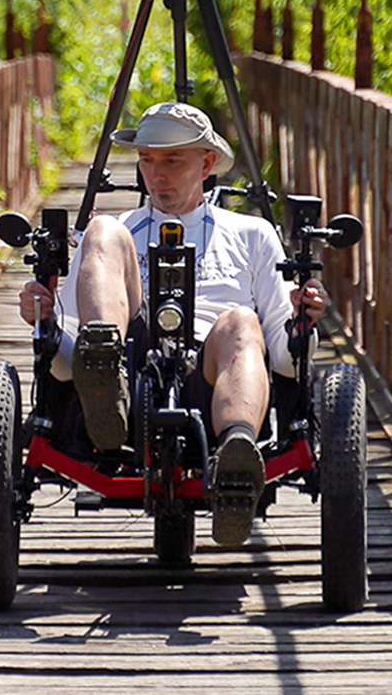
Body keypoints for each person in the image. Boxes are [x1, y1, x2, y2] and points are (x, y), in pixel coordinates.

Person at [17, 101, 328, 546]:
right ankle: (106, 375)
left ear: (206, 164)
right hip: (127, 372)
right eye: (146, 159)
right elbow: (65, 365)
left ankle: (236, 461)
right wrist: (45, 320)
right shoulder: (112, 235)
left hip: (218, 374)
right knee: (102, 229)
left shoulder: (252, 235)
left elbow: (281, 358)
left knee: (241, 319)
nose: (155, 173)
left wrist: (302, 318)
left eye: (171, 160)